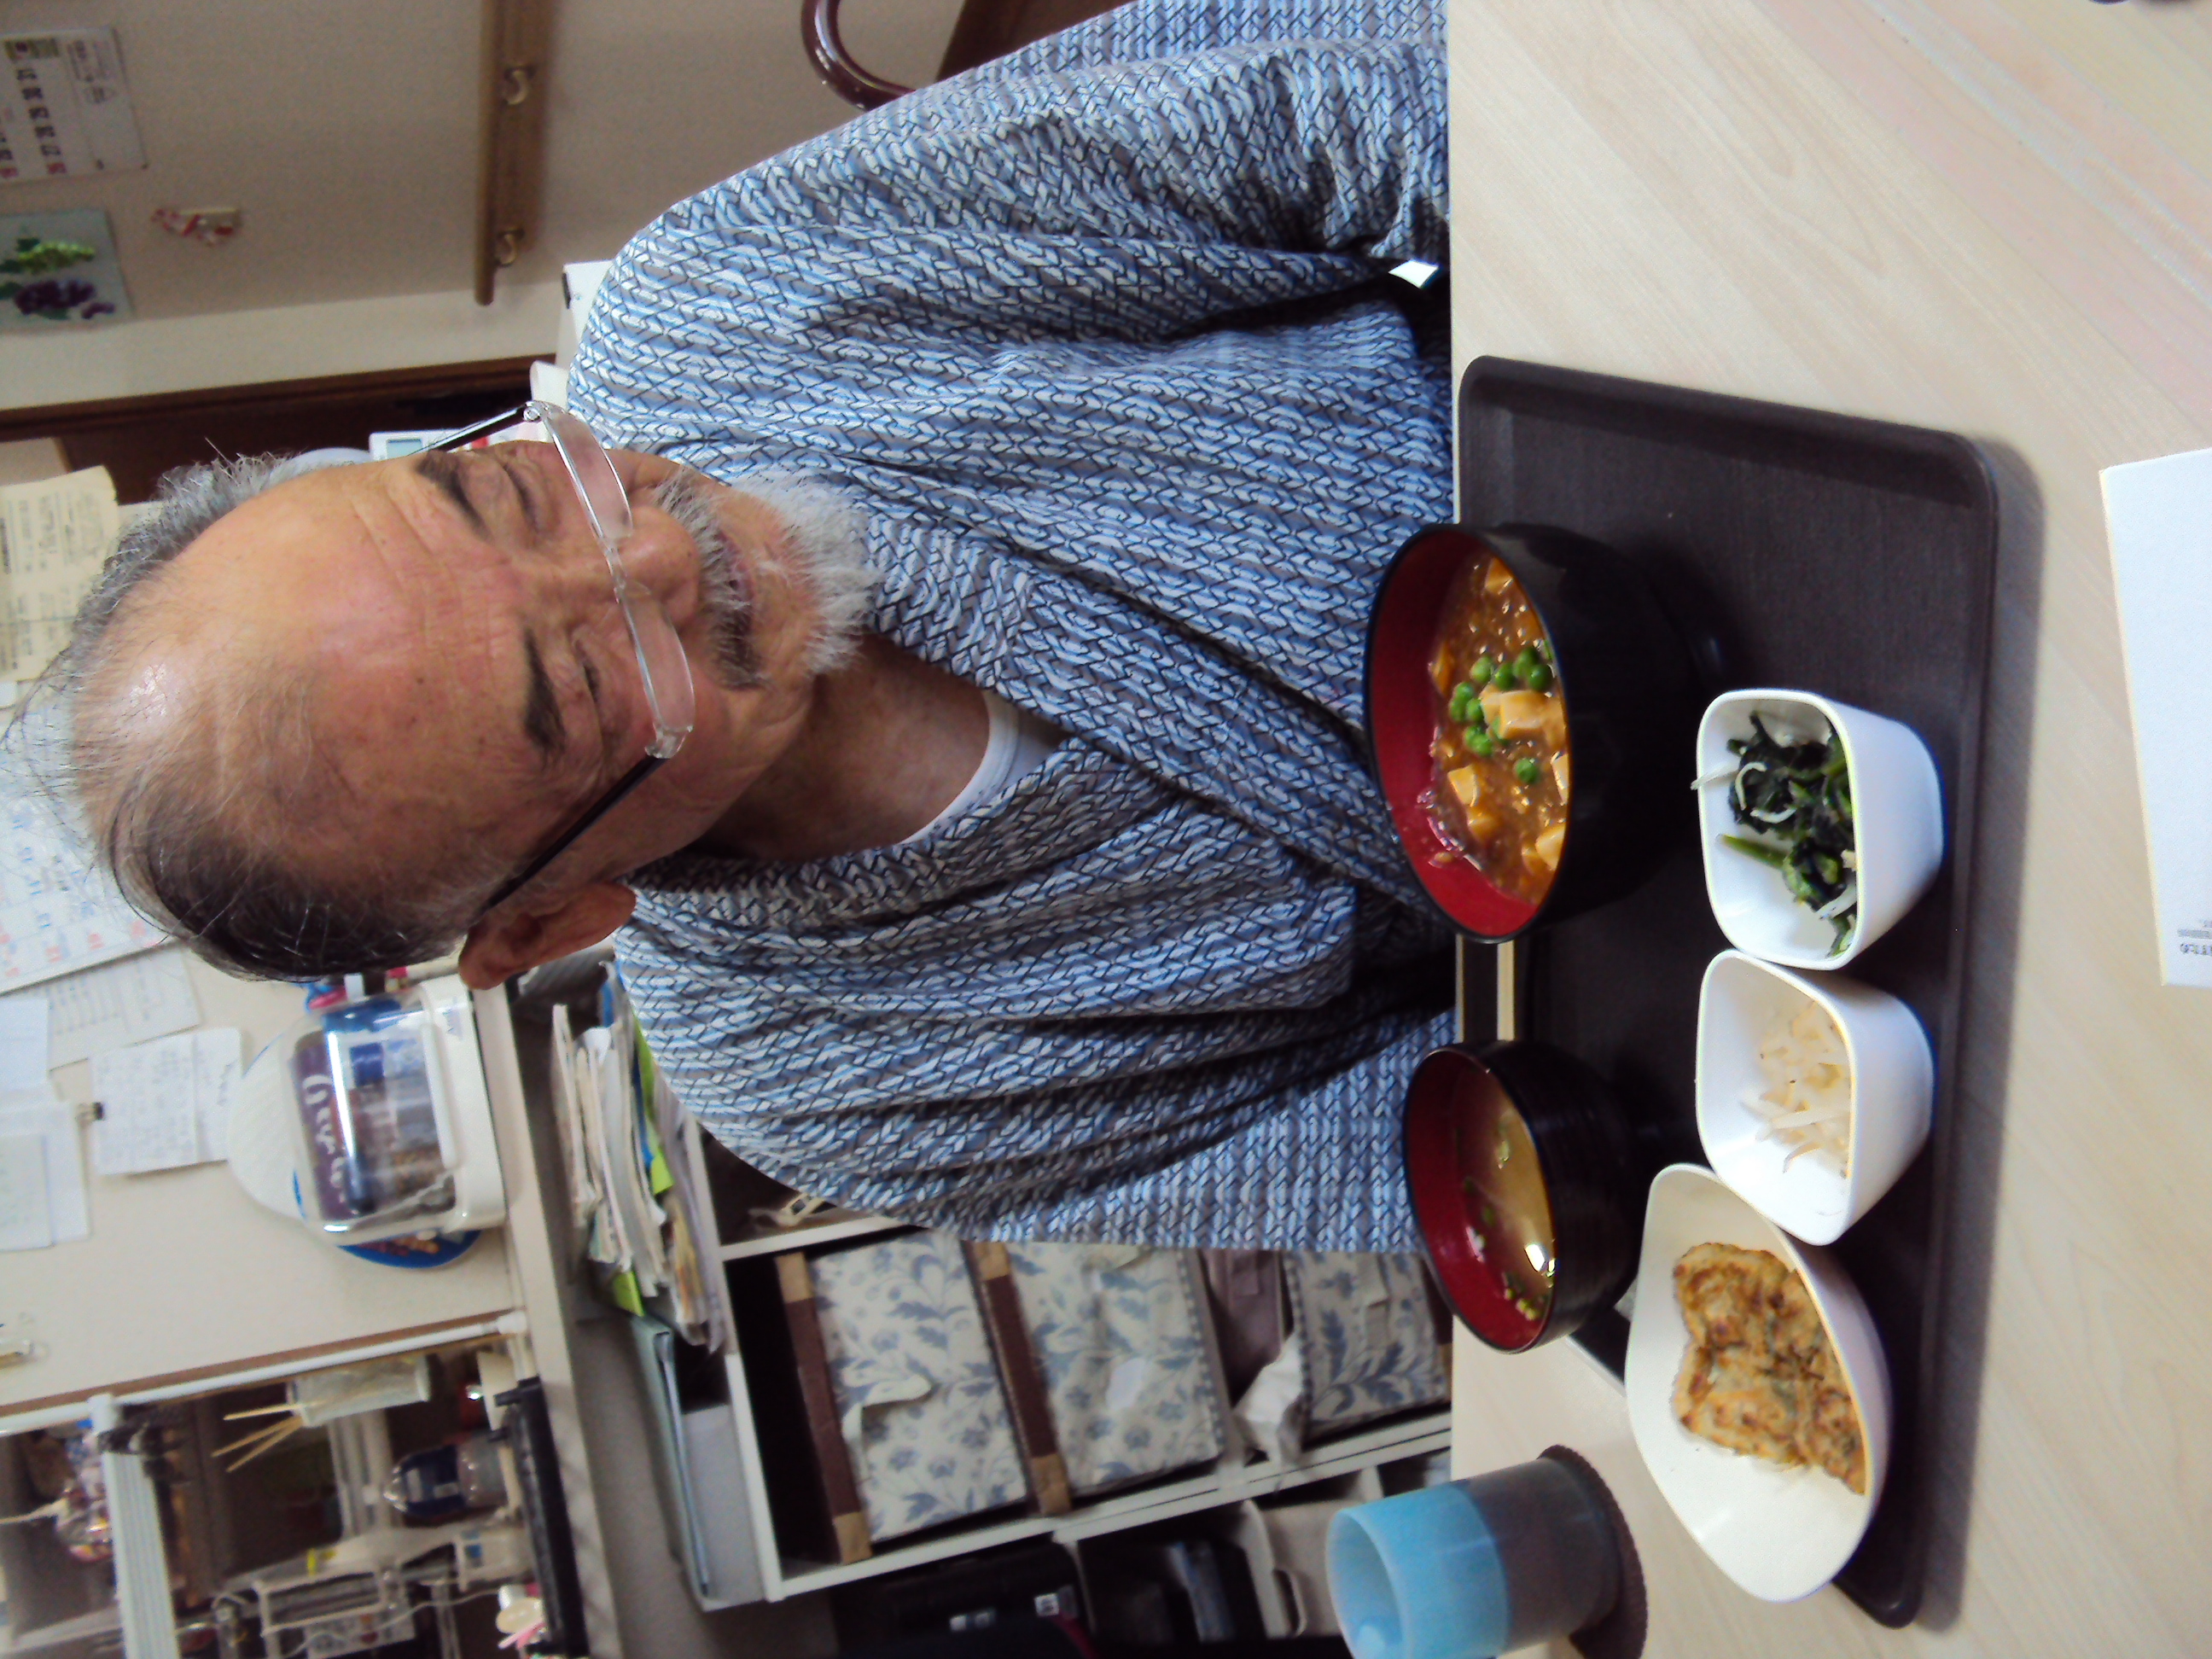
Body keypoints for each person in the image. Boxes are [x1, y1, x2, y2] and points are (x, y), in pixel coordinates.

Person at [29, 0, 1455, 1253]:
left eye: (512, 493)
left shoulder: (719, 305)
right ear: (552, 916)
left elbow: (1367, 100)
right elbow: (1458, 1149)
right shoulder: (810, 1080)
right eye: (587, 681)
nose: (657, 544)